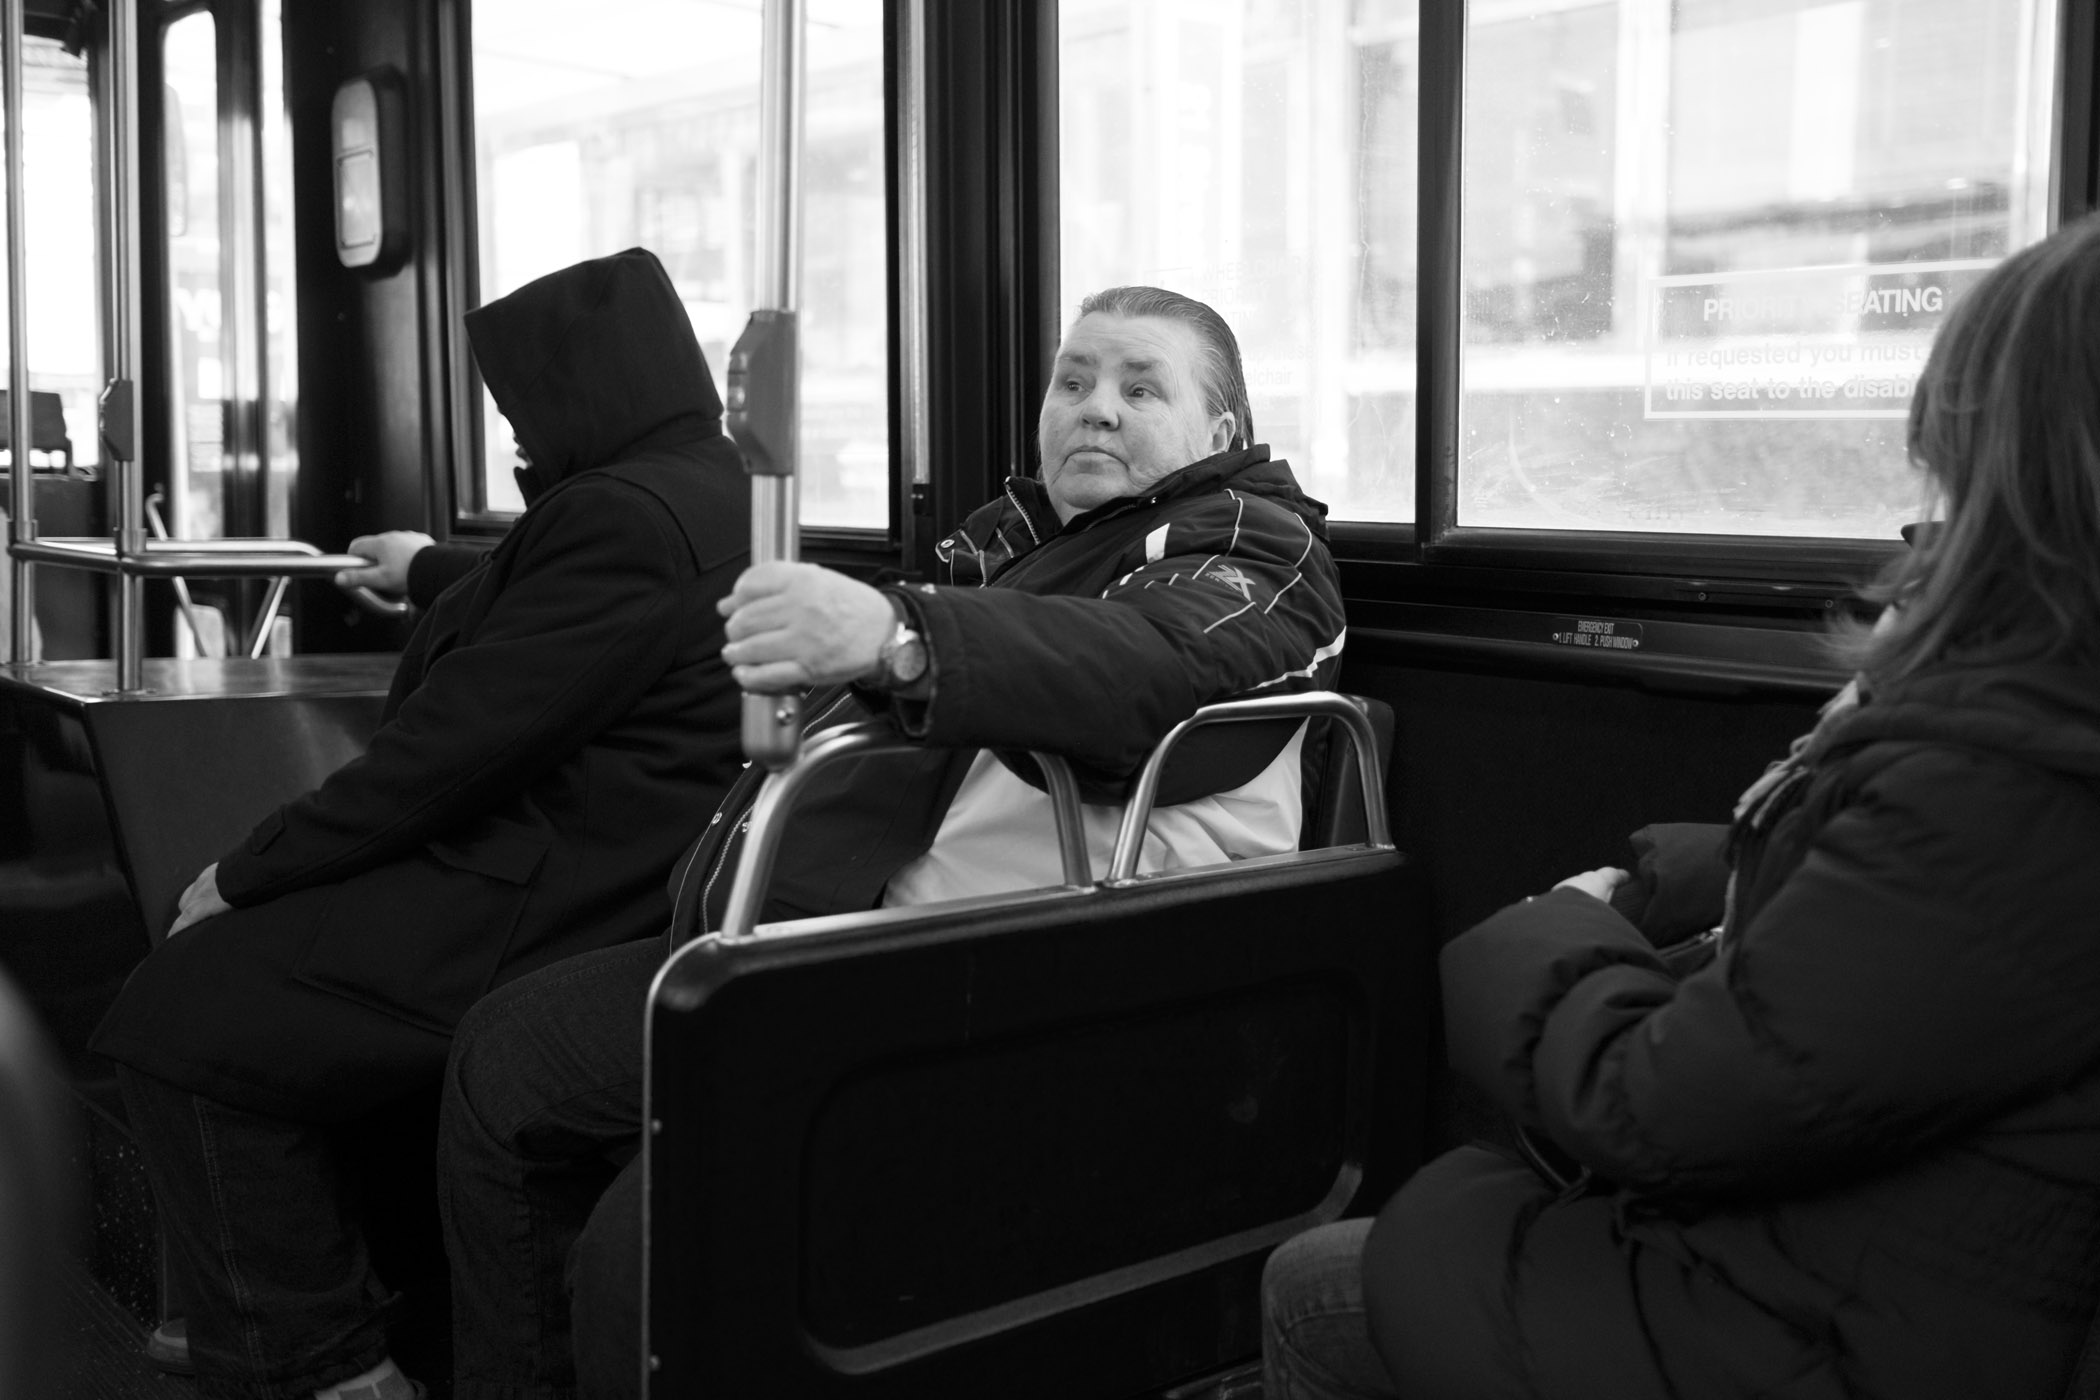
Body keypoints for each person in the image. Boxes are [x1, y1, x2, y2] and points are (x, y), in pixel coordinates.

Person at [436, 285, 1349, 1399]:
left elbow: (1146, 667)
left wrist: (900, 637)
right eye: (1073, 382)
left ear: (1220, 434)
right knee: (501, 1058)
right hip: (821, 941)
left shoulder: (1251, 546)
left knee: (645, 1256)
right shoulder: (1019, 541)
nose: (1094, 409)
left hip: (1001, 991)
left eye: (1139, 386)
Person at [1261, 215, 2100, 1400]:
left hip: (1829, 1327)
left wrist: (1557, 922)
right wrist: (1704, 873)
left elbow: (1655, 1101)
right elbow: (1902, 959)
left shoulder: (2010, 783)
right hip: (1885, 1268)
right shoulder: (2026, 738)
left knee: (1327, 1281)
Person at [89, 247, 752, 1400]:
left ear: (576, 398)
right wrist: (435, 565)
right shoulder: (711, 482)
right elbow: (575, 615)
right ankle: (303, 1291)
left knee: (183, 1011)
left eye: (522, 413)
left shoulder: (619, 515)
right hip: (626, 860)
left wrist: (246, 871)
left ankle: (319, 1356)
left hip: (540, 890)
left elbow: (451, 749)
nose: (516, 442)